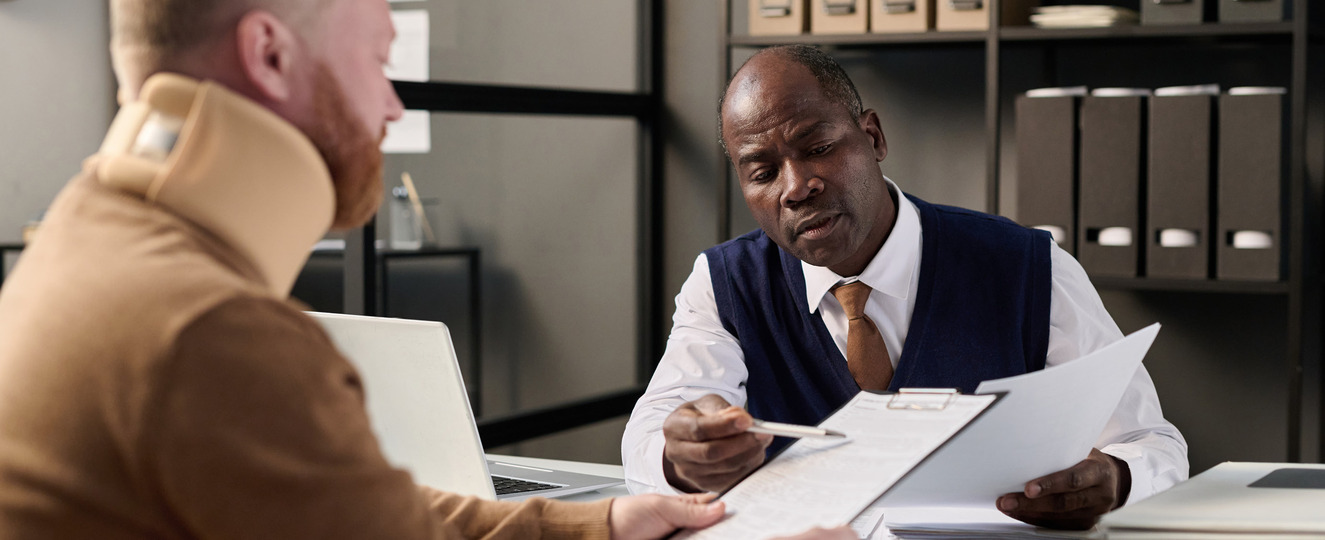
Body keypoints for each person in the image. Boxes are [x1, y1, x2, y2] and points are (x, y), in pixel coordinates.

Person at [0, 2, 859, 538]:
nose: (393, 104)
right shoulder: (208, 333)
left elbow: (368, 521)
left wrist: (595, 526)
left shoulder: (83, 245)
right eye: (376, 60)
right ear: (267, 55)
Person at [622, 44, 1189, 530]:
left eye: (817, 147)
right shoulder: (724, 284)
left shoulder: (1027, 266)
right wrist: (679, 455)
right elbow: (649, 436)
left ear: (872, 137)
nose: (797, 187)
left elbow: (1151, 443)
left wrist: (1116, 479)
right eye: (763, 172)